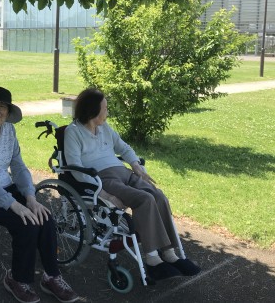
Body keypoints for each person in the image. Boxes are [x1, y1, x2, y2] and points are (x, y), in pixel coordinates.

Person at [63, 87, 201, 281]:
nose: (108, 111)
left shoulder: (105, 128)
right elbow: (76, 169)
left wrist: (136, 166)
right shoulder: (73, 132)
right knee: (145, 199)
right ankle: (152, 259)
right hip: (103, 179)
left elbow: (124, 148)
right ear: (93, 111)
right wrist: (103, 194)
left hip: (124, 172)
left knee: (159, 196)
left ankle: (169, 253)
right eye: (105, 108)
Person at [0, 86, 82, 303]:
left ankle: (51, 276)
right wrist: (14, 205)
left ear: (8, 112)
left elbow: (18, 165)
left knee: (44, 217)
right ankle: (17, 279)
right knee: (25, 223)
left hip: (4, 188)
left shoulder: (9, 130)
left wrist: (30, 198)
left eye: (1, 107)